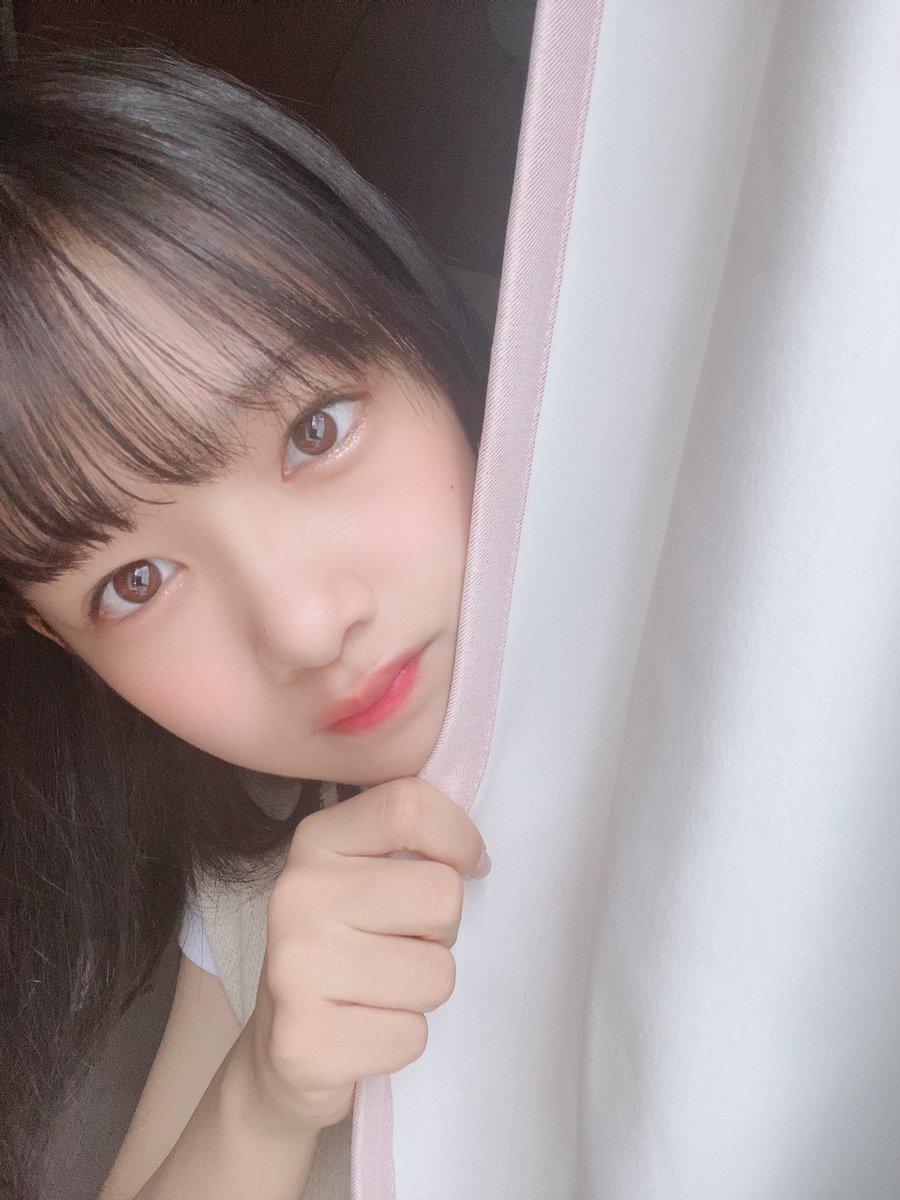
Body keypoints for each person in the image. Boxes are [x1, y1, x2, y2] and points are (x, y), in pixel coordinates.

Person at [0, 48, 491, 1200]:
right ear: (62, 642)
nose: (305, 629)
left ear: (423, 329)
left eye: (317, 430)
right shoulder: (268, 845)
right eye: (134, 582)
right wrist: (261, 1096)